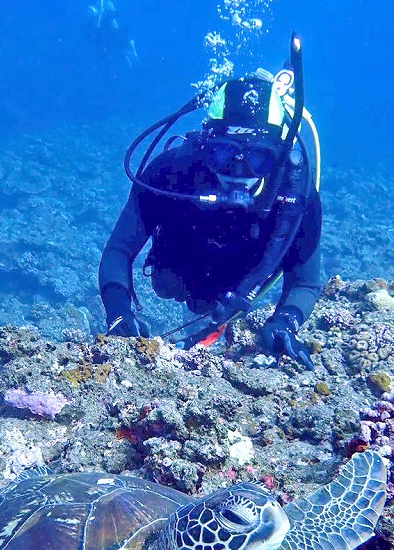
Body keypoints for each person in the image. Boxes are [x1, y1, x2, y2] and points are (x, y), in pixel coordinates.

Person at [98, 34, 321, 370]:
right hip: (181, 275)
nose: (238, 172)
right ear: (204, 145)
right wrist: (118, 313)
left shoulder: (296, 195)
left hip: (241, 287)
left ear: (277, 156)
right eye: (223, 154)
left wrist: (285, 321)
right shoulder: (171, 172)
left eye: (257, 159)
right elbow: (119, 249)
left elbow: (305, 280)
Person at [87, 0, 138, 72]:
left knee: (120, 50)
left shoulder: (108, 4)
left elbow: (113, 14)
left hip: (112, 32)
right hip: (105, 34)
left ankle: (131, 62)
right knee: (112, 52)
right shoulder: (98, 6)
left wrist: (103, 13)